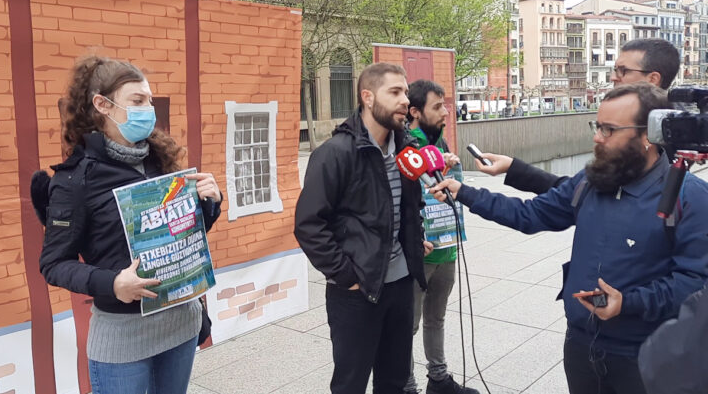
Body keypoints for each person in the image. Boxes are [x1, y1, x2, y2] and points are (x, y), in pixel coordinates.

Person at [429, 83, 708, 394]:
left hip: (643, 355)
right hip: (581, 347)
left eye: (608, 130)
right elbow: (530, 214)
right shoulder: (589, 182)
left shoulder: (689, 197)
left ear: (648, 136)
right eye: (596, 126)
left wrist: (628, 303)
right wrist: (466, 193)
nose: (596, 137)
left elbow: (695, 283)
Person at [36, 56, 222, 394]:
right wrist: (112, 283)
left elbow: (178, 238)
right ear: (102, 105)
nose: (147, 110)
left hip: (180, 325)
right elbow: (52, 264)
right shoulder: (75, 180)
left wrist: (209, 204)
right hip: (122, 340)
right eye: (137, 101)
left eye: (149, 101)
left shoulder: (160, 160)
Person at [294, 62, 433, 394]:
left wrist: (417, 238)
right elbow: (309, 225)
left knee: (395, 381)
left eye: (406, 91)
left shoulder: (406, 148)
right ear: (368, 97)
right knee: (350, 384)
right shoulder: (335, 154)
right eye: (395, 92)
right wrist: (347, 276)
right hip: (356, 293)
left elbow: (409, 205)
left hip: (401, 286)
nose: (405, 100)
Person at [475, 38, 680, 189]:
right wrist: (513, 168)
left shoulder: (679, 141)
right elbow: (579, 191)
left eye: (623, 71)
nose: (613, 77)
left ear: (653, 79)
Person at [403, 80, 478, 394]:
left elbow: (449, 191)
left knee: (438, 318)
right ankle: (405, 386)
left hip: (446, 249)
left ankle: (439, 378)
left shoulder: (442, 144)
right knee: (409, 325)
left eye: (445, 105)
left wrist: (454, 168)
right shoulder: (405, 146)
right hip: (419, 254)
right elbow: (398, 201)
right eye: (437, 107)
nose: (446, 112)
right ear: (415, 112)